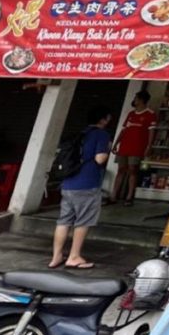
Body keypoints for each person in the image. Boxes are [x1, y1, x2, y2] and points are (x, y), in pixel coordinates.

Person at [50, 106, 114, 270]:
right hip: (87, 183)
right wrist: (107, 149)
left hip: (68, 183)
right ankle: (74, 256)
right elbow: (100, 159)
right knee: (83, 221)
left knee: (64, 220)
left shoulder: (81, 133)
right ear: (103, 119)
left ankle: (56, 256)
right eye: (107, 118)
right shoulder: (101, 134)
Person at [109, 90, 156, 206]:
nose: (134, 100)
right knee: (121, 170)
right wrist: (116, 144)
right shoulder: (131, 114)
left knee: (132, 171)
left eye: (136, 98)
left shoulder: (150, 114)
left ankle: (129, 196)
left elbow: (151, 132)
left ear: (141, 100)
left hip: (137, 147)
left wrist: (149, 146)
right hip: (124, 146)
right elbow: (124, 129)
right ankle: (113, 195)